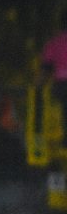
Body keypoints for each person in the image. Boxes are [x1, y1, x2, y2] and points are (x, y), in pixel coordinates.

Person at [40, 9, 67, 140]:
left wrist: (38, 86)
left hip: (61, 84)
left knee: (63, 108)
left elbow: (46, 67)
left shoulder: (54, 43)